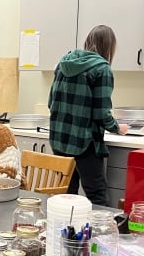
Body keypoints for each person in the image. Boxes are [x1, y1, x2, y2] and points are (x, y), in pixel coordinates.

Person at [47, 24, 129, 207]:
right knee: (96, 193)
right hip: (84, 143)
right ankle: (103, 234)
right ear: (109, 46)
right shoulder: (102, 68)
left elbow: (51, 103)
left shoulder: (63, 63)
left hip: (60, 139)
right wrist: (118, 128)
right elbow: (101, 113)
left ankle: (66, 233)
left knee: (67, 193)